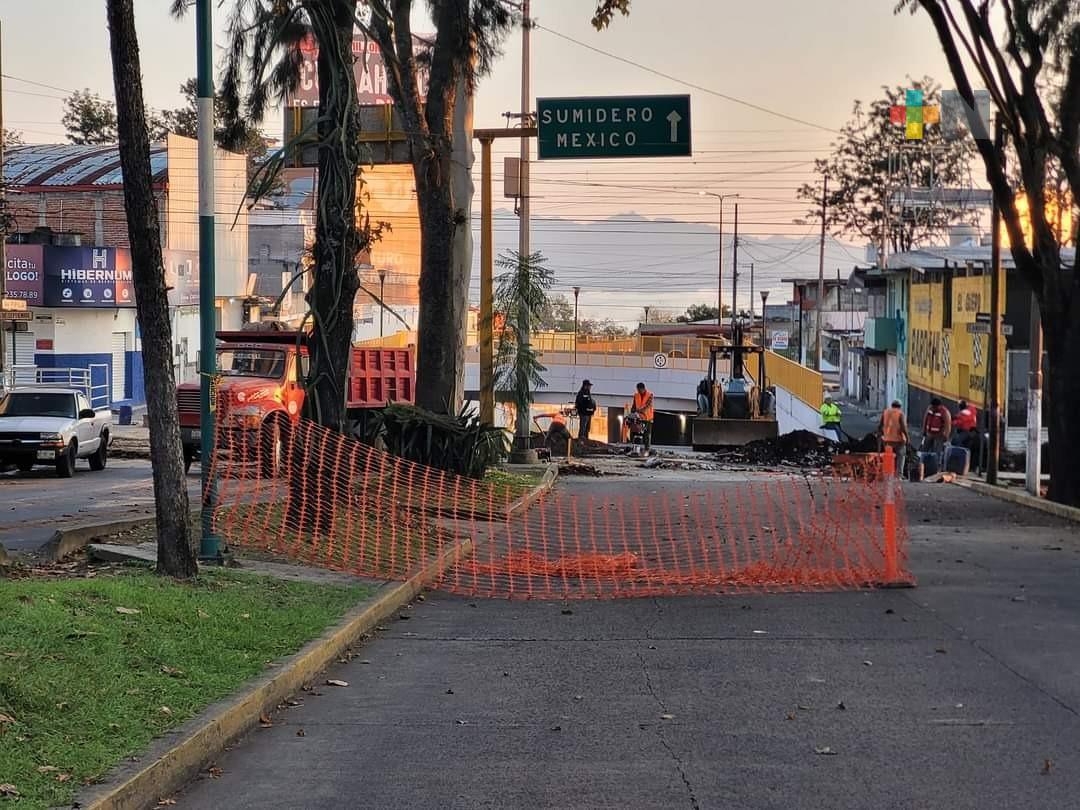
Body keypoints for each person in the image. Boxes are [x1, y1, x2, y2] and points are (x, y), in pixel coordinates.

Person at [878, 399, 910, 476]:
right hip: (899, 440)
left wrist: (880, 434)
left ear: (892, 405)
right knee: (901, 456)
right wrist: (907, 437)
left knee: (888, 457)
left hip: (887, 439)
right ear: (900, 406)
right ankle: (899, 474)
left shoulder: (885, 412)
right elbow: (903, 427)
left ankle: (888, 473)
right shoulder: (900, 413)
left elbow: (880, 425)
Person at [632, 382, 655, 452]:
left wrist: (639, 410)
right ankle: (636, 449)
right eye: (637, 390)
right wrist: (632, 413)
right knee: (637, 434)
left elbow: (647, 406)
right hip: (639, 418)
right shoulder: (636, 395)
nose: (638, 391)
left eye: (639, 390)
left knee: (646, 435)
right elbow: (634, 406)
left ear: (643, 389)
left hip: (648, 418)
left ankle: (647, 449)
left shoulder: (650, 395)